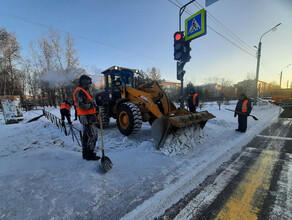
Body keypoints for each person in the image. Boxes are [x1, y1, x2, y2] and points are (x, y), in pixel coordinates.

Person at [73, 75, 100, 160]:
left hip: (89, 116)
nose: (90, 85)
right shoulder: (80, 92)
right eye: (89, 83)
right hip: (86, 117)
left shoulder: (85, 91)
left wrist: (96, 107)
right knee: (93, 136)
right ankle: (89, 154)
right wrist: (93, 105)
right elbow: (82, 105)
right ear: (85, 82)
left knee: (86, 136)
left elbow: (89, 102)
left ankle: (86, 153)